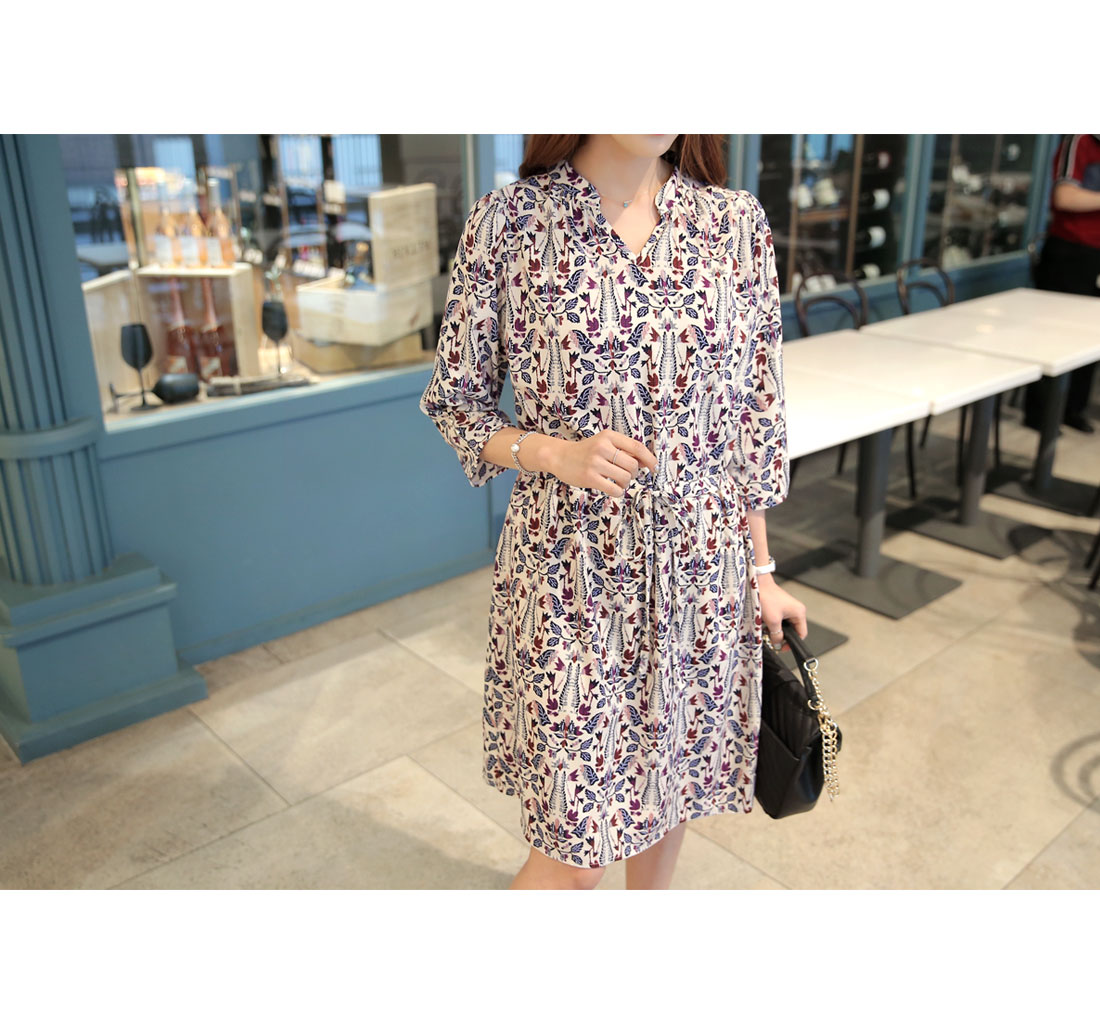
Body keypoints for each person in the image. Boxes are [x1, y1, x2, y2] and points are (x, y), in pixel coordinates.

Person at [419, 134, 808, 890]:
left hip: (700, 573)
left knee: (667, 799)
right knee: (574, 861)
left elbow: (753, 421)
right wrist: (553, 453)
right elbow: (456, 403)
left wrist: (762, 571)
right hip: (570, 579)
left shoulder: (734, 224)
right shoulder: (509, 223)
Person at [1023, 133, 1100, 434]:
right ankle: (1040, 413)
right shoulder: (1080, 140)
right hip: (1072, 252)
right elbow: (1064, 197)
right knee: (1051, 336)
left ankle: (1072, 409)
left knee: (1092, 337)